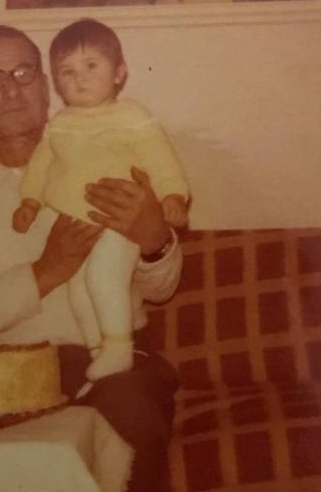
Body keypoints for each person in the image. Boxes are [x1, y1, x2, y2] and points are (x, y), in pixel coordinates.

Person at [0, 23, 182, 492]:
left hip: (115, 364)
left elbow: (163, 287)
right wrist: (45, 272)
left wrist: (155, 239)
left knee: (130, 413)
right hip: (1, 379)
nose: (11, 89)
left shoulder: (117, 158)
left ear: (45, 86)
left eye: (22, 72)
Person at [12, 19, 189, 383]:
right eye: (67, 71)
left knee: (102, 278)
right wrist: (29, 201)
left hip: (119, 220)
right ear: (56, 83)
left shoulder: (132, 116)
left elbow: (161, 159)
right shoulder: (59, 125)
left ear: (119, 73)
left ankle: (118, 348)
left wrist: (173, 195)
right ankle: (100, 350)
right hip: (79, 223)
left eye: (91, 66)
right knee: (78, 290)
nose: (80, 79)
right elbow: (40, 166)